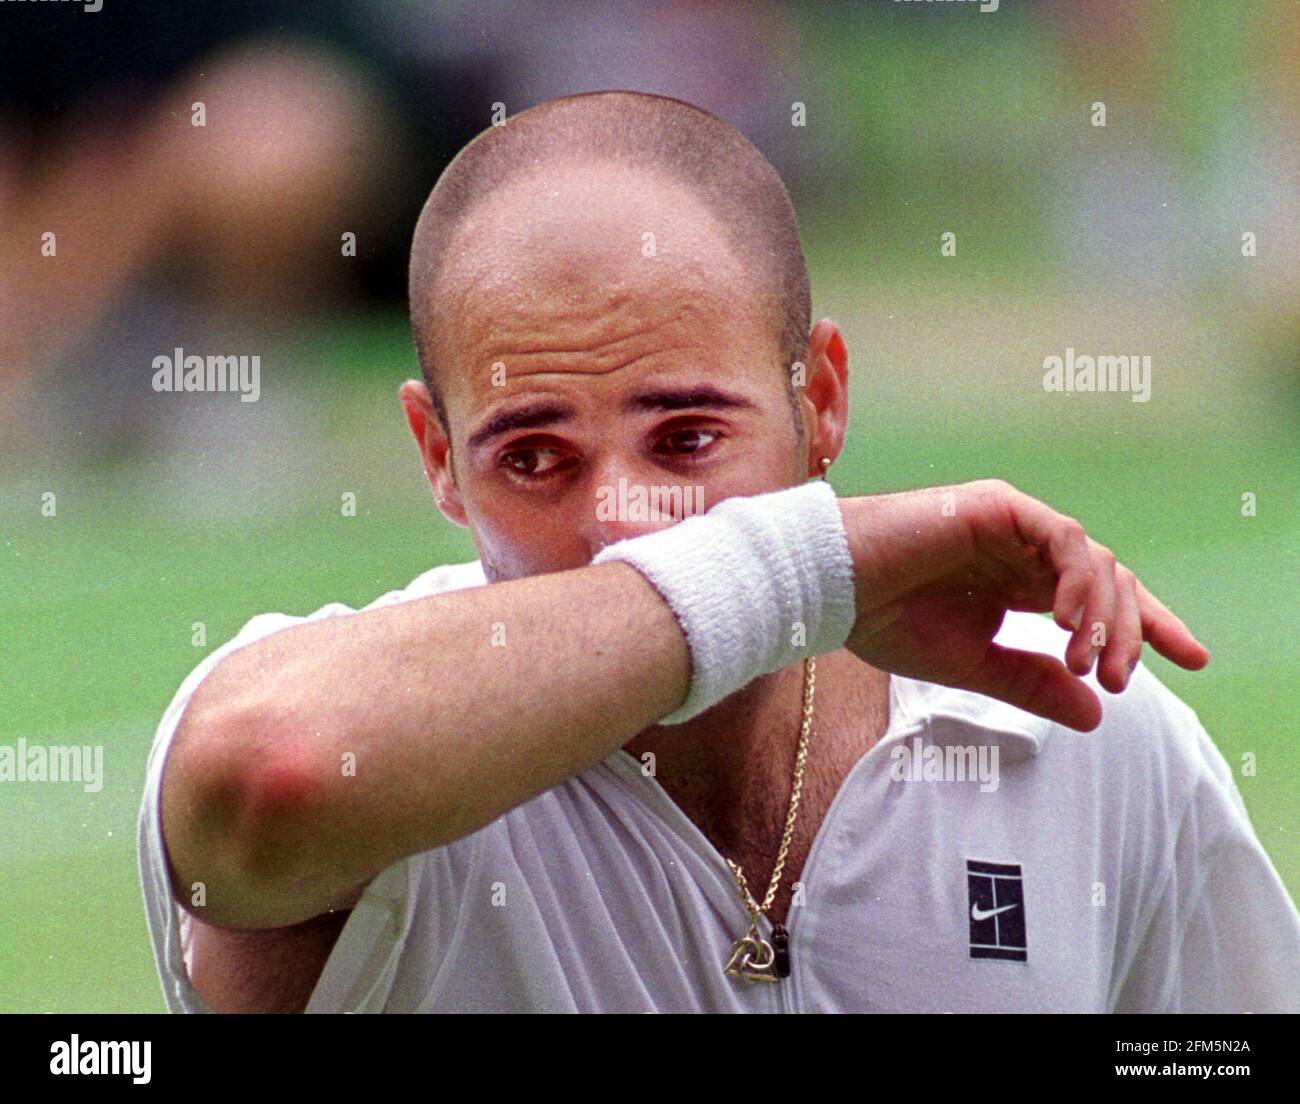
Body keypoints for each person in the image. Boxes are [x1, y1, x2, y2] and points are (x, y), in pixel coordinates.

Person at [139, 91, 1299, 1013]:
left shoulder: (1068, 713)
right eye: (534, 459)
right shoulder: (373, 749)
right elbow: (267, 777)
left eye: (687, 436)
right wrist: (796, 575)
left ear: (823, 403)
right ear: (435, 456)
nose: (620, 520)